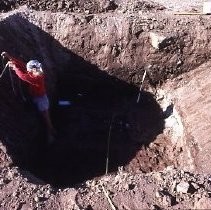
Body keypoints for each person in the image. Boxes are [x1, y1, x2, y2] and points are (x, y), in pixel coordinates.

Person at [1, 51, 55, 143]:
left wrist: (15, 68)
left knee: (46, 117)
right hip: (36, 97)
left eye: (29, 69)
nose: (27, 70)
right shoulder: (34, 71)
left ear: (33, 69)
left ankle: (51, 132)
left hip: (41, 99)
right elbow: (21, 64)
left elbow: (23, 77)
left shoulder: (38, 77)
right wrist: (9, 57)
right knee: (41, 115)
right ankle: (48, 130)